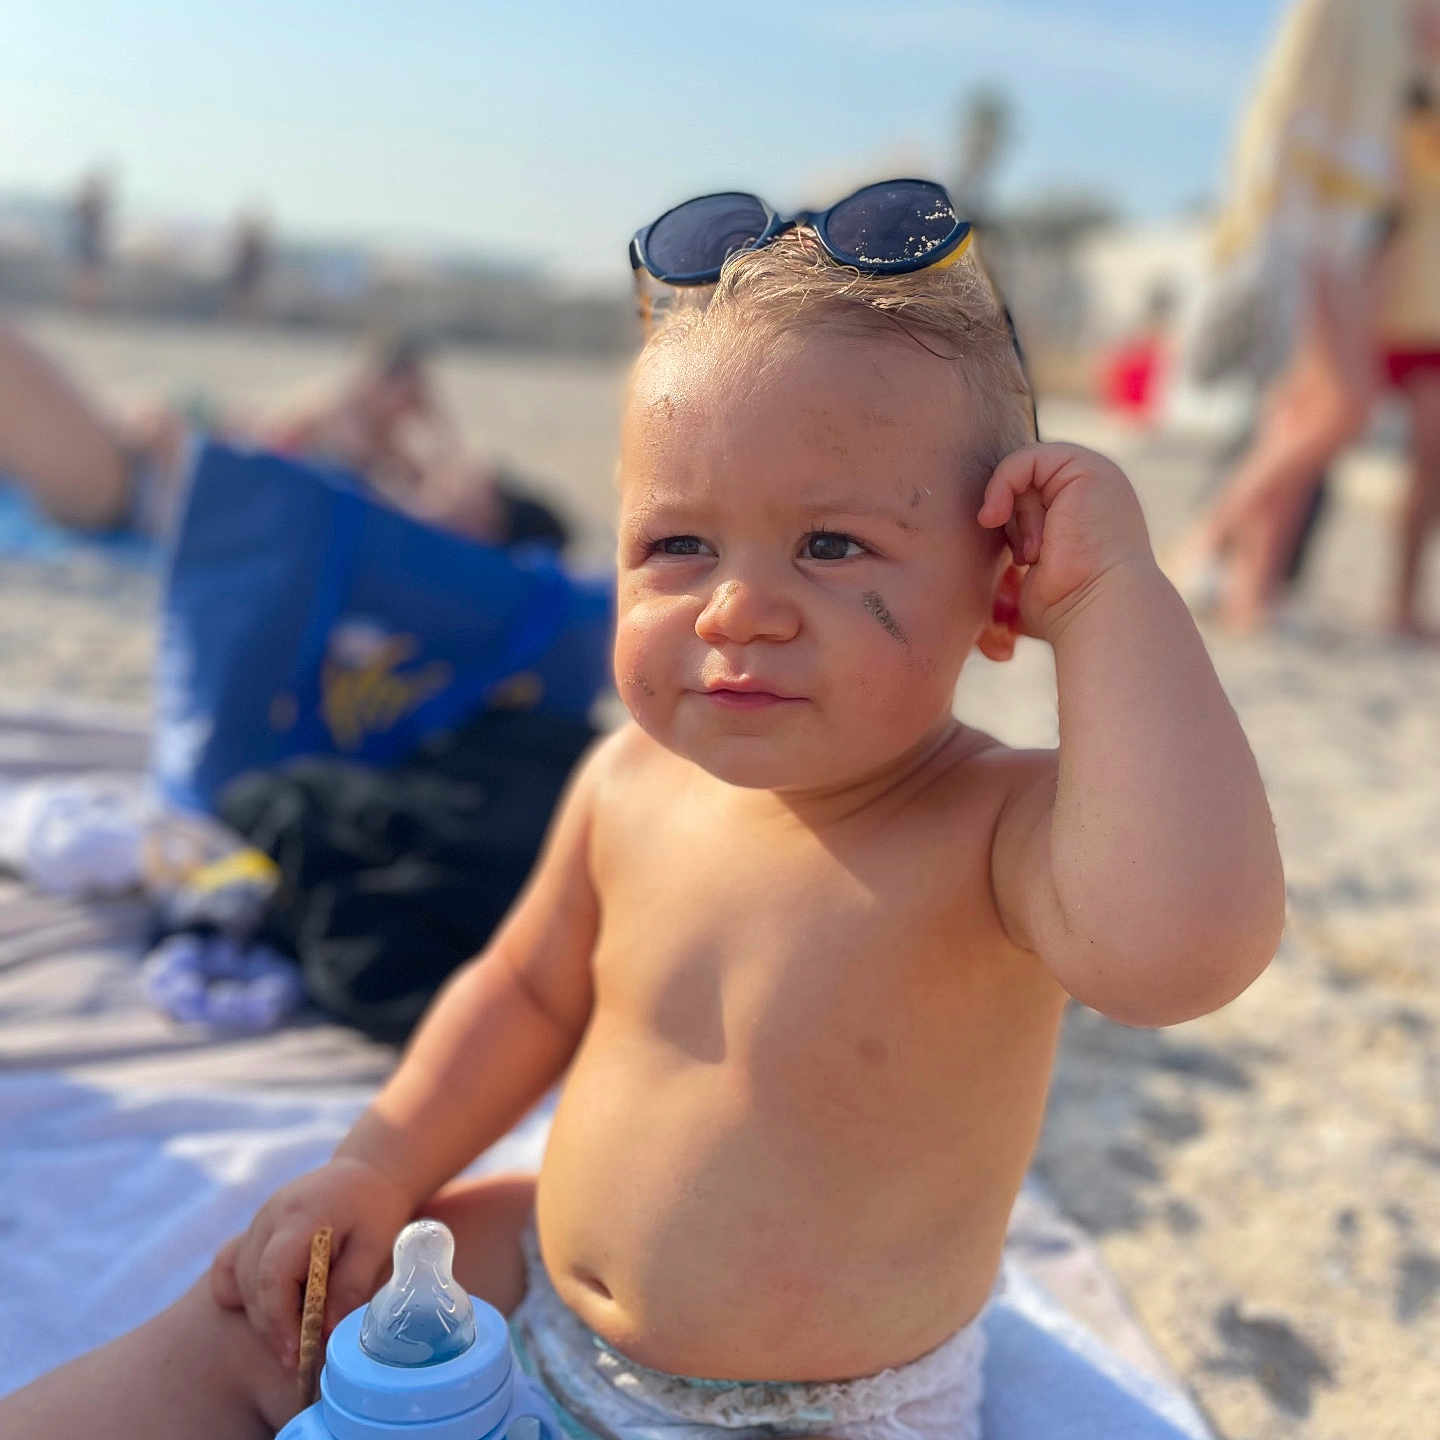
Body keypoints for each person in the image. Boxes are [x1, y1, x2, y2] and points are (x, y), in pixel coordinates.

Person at [0, 181, 1284, 1440]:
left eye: (831, 547)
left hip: (812, 1417)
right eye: (679, 548)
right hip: (537, 1306)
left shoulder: (997, 833)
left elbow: (1185, 952)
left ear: (1000, 591)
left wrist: (1113, 598)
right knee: (251, 1320)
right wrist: (380, 1166)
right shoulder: (628, 781)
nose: (736, 609)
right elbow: (524, 990)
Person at [1174, 0, 1440, 634]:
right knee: (1339, 407)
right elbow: (1278, 98)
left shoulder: (1405, 33)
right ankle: (1202, 543)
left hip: (1358, 227)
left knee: (1303, 411)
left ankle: (1251, 589)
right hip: (1310, 219)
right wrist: (1257, 222)